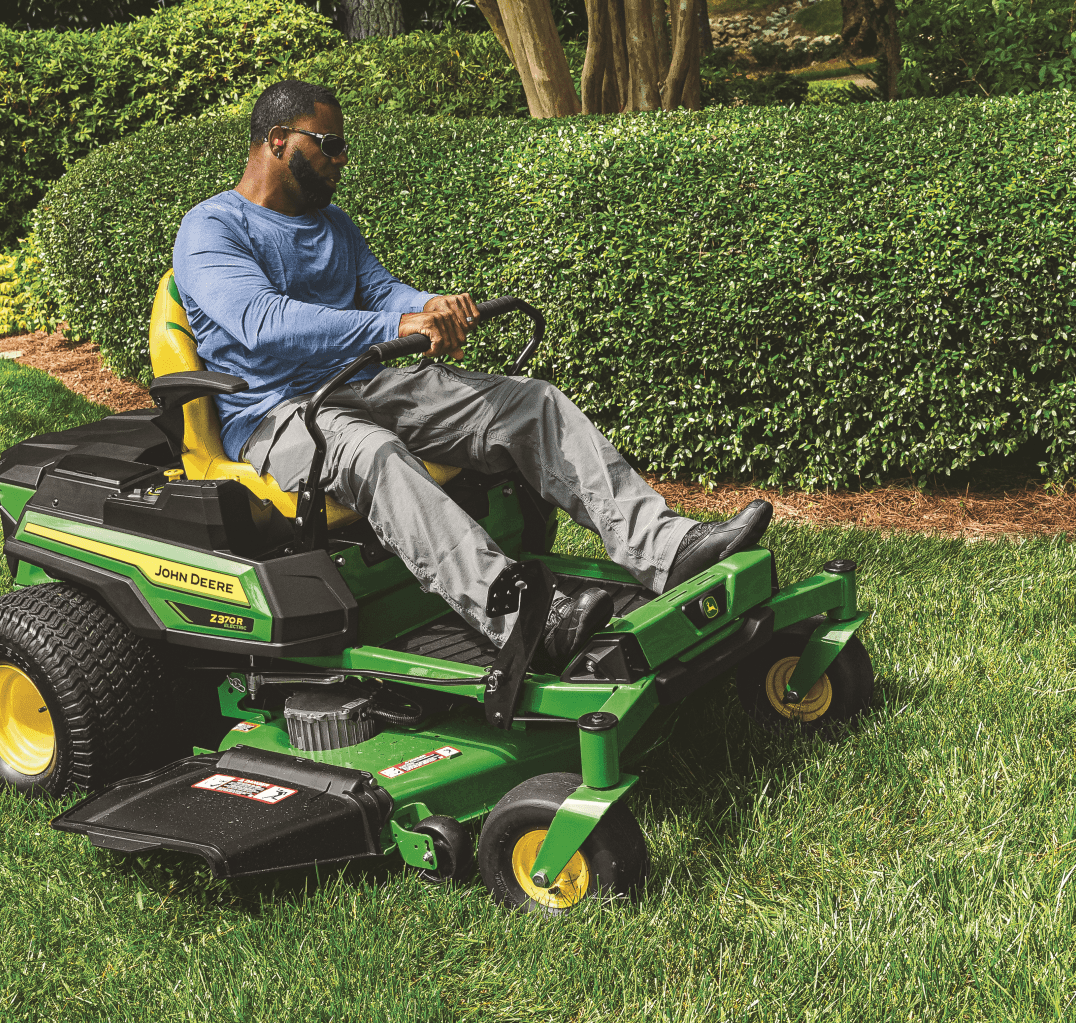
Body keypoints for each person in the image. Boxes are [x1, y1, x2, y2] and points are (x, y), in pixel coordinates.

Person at [172, 80, 771, 665]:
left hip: (363, 383)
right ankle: (525, 617)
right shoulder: (213, 228)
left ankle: (668, 549)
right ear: (279, 140)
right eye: (329, 145)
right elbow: (260, 320)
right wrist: (397, 323)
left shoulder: (336, 227)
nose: (342, 160)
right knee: (375, 454)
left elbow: (380, 292)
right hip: (278, 413)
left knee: (530, 402)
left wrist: (428, 305)